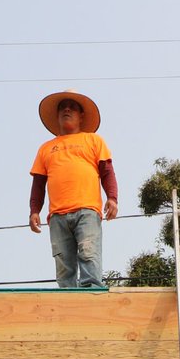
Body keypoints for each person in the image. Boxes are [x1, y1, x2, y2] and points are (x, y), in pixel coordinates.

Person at [29, 90, 118, 288]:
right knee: (63, 265)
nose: (66, 109)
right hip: (57, 215)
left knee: (89, 253)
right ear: (58, 115)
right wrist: (34, 211)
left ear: (81, 115)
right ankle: (67, 302)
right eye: (62, 107)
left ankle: (92, 295)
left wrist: (112, 198)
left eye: (72, 107)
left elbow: (107, 171)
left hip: (87, 210)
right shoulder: (46, 148)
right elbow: (38, 184)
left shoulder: (93, 140)